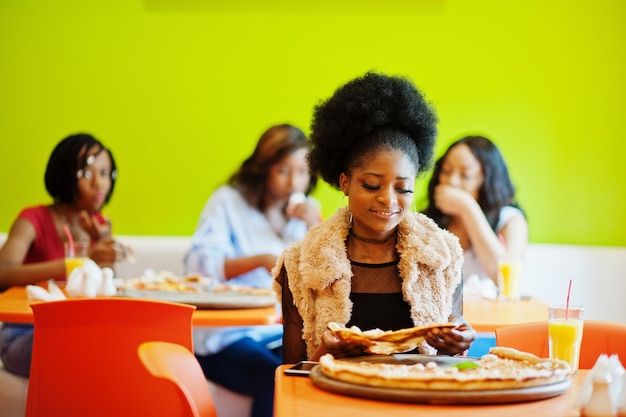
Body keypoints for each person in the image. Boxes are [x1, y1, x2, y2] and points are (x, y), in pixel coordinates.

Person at [273, 72, 476, 365]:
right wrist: (326, 352)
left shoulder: (442, 257)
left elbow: (447, 365)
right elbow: (291, 376)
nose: (388, 200)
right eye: (371, 185)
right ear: (345, 183)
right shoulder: (301, 265)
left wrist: (457, 340)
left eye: (403, 188)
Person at [184, 123, 321, 417]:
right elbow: (200, 266)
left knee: (316, 369)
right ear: (263, 168)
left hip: (276, 331)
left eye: (302, 171)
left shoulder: (306, 216)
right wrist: (261, 259)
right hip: (225, 337)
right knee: (273, 376)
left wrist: (316, 226)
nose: (294, 182)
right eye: (284, 170)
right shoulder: (228, 202)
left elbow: (324, 277)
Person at [0, 133, 119, 377]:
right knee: (84, 348)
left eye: (105, 173)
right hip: (23, 333)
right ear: (64, 173)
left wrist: (104, 241)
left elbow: (106, 293)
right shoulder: (33, 219)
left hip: (80, 330)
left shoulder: (98, 225)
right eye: (87, 173)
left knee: (112, 345)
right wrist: (75, 265)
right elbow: (3, 271)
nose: (99, 183)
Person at [422, 136, 528, 292]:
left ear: (488, 180)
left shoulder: (511, 220)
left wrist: (468, 207)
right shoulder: (427, 222)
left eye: (465, 175)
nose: (451, 181)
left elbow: (505, 281)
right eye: (446, 171)